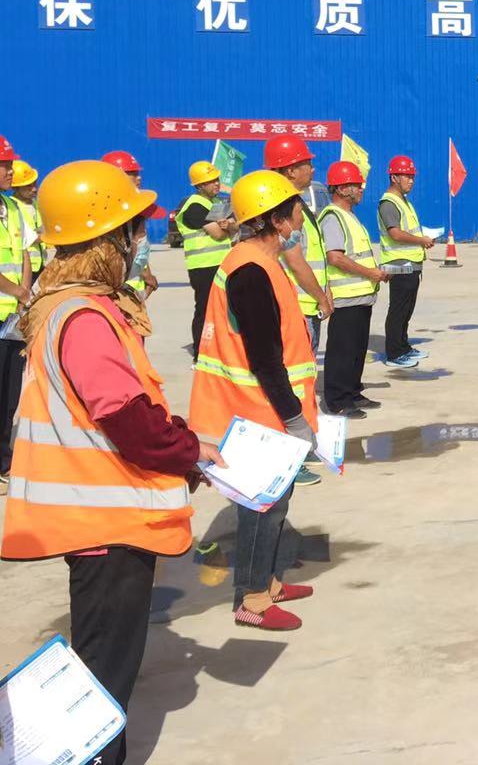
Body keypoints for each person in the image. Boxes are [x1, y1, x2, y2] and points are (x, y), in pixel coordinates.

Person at [1, 159, 223, 765]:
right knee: (102, 681)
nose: (139, 241)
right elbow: (127, 420)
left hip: (96, 518)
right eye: (133, 230)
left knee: (100, 662)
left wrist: (180, 444)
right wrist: (188, 451)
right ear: (107, 238)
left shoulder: (67, 307)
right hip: (106, 523)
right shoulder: (85, 318)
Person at [190, 170, 320, 630]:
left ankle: (269, 582)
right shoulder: (250, 271)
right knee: (260, 508)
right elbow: (265, 359)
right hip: (255, 411)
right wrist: (294, 417)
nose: (301, 217)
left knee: (276, 503)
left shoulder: (263, 260)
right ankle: (252, 599)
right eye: (297, 209)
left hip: (265, 408)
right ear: (277, 220)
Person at [318, 161, 388, 418]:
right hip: (346, 298)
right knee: (343, 351)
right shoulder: (333, 217)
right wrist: (370, 273)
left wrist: (375, 272)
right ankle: (337, 400)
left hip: (361, 296)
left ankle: (353, 391)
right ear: (341, 188)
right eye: (356, 185)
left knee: (357, 349)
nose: (361, 189)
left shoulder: (349, 216)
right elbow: (335, 257)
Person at [263, 135, 333, 353]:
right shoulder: (285, 207)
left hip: (305, 302)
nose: (313, 169)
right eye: (308, 164)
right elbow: (295, 261)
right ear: (291, 171)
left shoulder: (294, 202)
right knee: (299, 366)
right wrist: (322, 298)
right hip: (297, 306)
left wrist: (325, 289)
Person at [377, 154, 434, 367]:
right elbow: (395, 233)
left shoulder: (403, 202)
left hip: (411, 263)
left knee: (407, 309)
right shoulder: (389, 203)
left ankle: (403, 346)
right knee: (398, 309)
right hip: (399, 264)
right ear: (394, 177)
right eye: (407, 176)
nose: (411, 180)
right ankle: (394, 353)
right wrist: (421, 240)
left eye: (412, 176)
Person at [176, 161, 237, 358]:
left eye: (217, 179)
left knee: (223, 309)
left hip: (222, 264)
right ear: (199, 185)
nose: (216, 184)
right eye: (210, 181)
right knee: (205, 309)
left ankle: (219, 350)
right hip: (203, 267)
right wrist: (227, 227)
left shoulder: (217, 203)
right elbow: (218, 233)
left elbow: (236, 226)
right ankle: (200, 353)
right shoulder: (194, 206)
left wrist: (229, 226)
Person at [0, 137, 33, 487]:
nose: (11, 170)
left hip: (12, 317)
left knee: (10, 396)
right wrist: (17, 291)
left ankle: (4, 462)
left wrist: (24, 293)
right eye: (4, 165)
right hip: (6, 305)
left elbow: (24, 253)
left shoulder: (13, 208)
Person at [102, 151, 161, 305]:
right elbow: (137, 246)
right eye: (132, 174)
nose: (139, 178)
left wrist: (146, 273)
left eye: (138, 173)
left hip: (118, 283)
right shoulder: (126, 211)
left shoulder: (103, 209)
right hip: (124, 284)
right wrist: (146, 275)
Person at [11, 159, 44, 280]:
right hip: (24, 267)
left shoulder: (36, 204)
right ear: (16, 188)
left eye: (35, 184)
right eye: (28, 186)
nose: (34, 189)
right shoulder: (13, 207)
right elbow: (29, 238)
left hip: (40, 264)